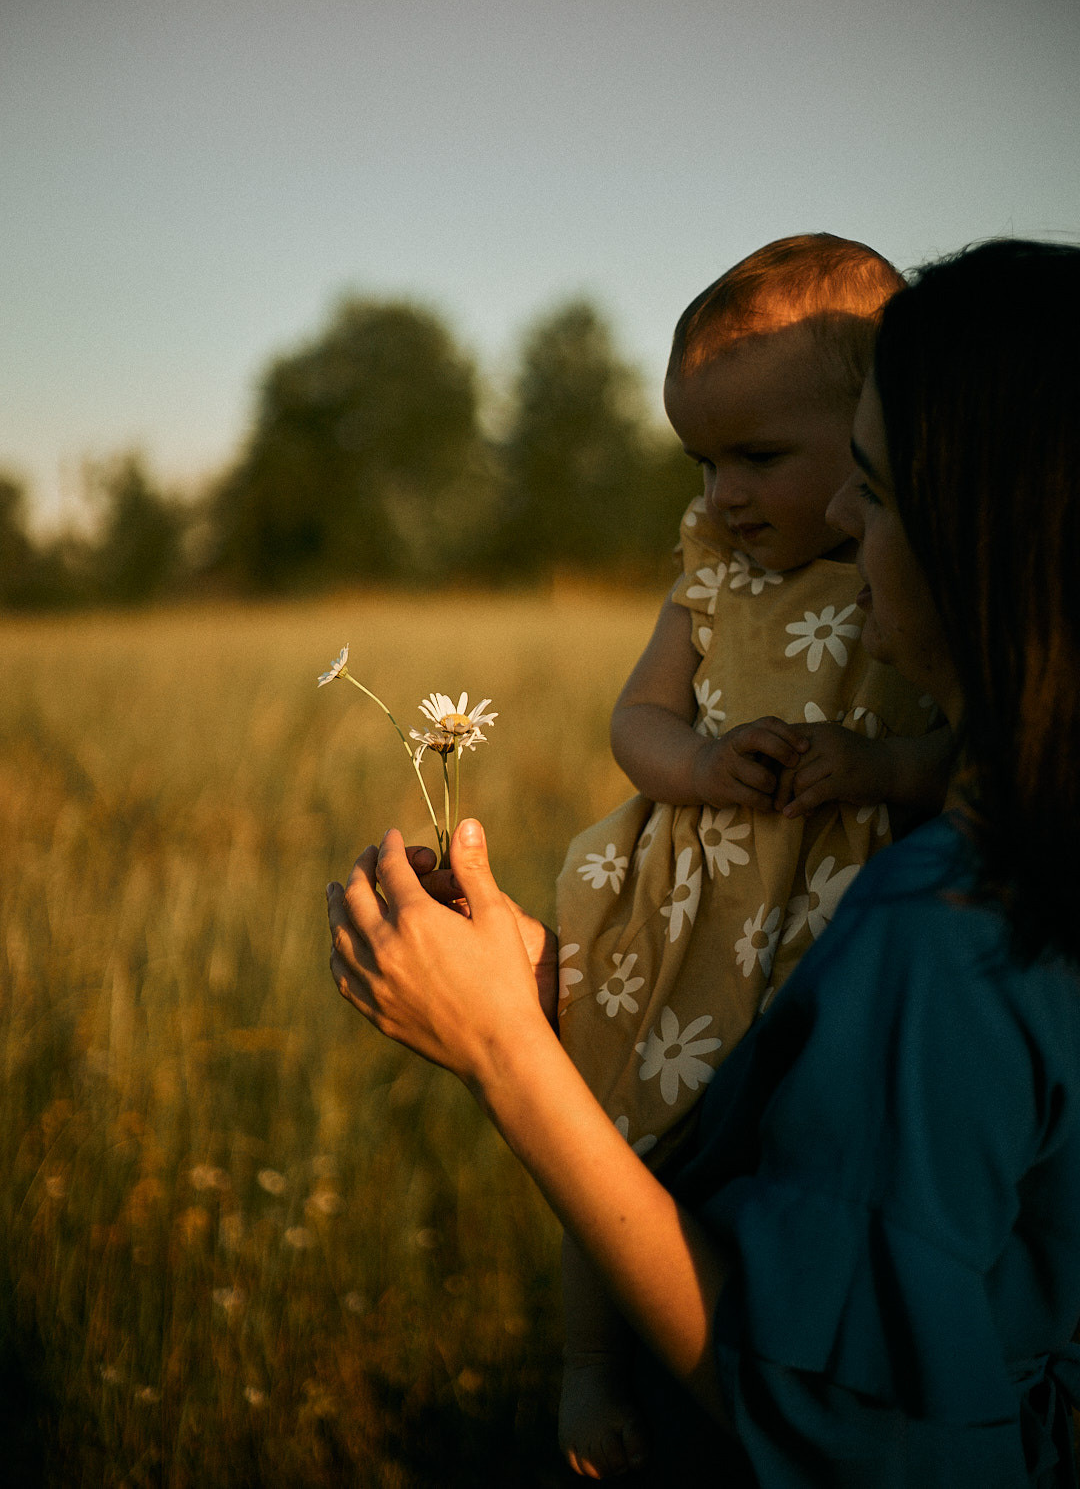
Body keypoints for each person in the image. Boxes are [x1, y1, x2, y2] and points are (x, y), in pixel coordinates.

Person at [327, 239, 1080, 1486]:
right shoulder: (1026, 848)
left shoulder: (944, 934)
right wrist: (558, 982)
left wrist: (506, 1050)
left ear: (983, 538)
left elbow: (830, 1421)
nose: (841, 519)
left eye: (877, 488)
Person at [556, 234, 953, 1477]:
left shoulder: (918, 575)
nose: (724, 492)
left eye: (760, 457)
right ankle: (588, 1365)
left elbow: (972, 752)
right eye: (704, 461)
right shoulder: (713, 573)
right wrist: (701, 764)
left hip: (845, 924)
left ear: (878, 429)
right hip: (706, 908)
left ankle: (784, 1379)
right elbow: (637, 719)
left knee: (801, 1170)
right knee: (616, 1123)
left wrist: (883, 769)